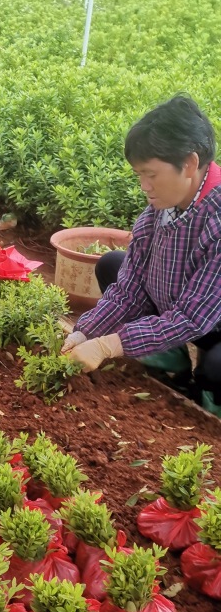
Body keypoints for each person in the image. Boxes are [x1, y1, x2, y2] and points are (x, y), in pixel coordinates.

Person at [62, 95, 221, 415]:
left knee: (217, 367)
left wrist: (110, 344)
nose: (143, 186)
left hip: (212, 326)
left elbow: (193, 317)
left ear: (189, 164)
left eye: (151, 174)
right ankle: (170, 362)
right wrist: (86, 331)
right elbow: (129, 287)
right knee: (113, 266)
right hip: (178, 308)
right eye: (139, 175)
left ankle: (208, 402)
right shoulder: (159, 210)